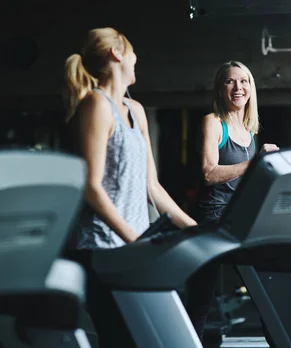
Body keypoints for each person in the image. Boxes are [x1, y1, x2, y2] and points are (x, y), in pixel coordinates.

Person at [63, 27, 197, 347]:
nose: (137, 60)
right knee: (122, 339)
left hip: (133, 251)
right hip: (102, 247)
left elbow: (152, 186)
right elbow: (91, 187)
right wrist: (135, 240)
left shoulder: (136, 111)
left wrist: (194, 229)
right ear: (117, 53)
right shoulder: (96, 105)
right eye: (133, 52)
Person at [189, 60, 278, 344]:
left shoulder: (250, 132)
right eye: (230, 81)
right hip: (212, 219)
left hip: (239, 217)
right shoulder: (213, 123)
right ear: (219, 89)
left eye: (244, 81)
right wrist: (255, 163)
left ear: (251, 89)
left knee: (267, 289)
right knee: (201, 299)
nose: (238, 87)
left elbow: (246, 180)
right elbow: (208, 172)